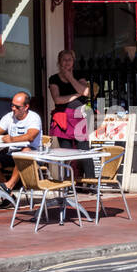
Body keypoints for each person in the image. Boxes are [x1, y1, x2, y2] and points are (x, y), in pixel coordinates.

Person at [48, 50, 98, 178]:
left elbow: (85, 92)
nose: (67, 62)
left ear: (73, 62)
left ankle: (91, 182)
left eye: (69, 59)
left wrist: (70, 77)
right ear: (59, 62)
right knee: (66, 152)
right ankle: (69, 183)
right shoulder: (54, 79)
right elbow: (58, 100)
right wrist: (76, 95)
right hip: (63, 119)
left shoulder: (79, 75)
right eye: (64, 60)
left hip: (78, 118)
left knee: (84, 150)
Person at [0, 91, 43, 192]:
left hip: (33, 154)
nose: (13, 108)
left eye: (17, 107)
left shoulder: (34, 117)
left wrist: (12, 139)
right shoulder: (9, 116)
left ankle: (9, 185)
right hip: (12, 153)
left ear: (26, 107)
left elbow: (31, 136)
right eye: (12, 105)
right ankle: (6, 190)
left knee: (24, 151)